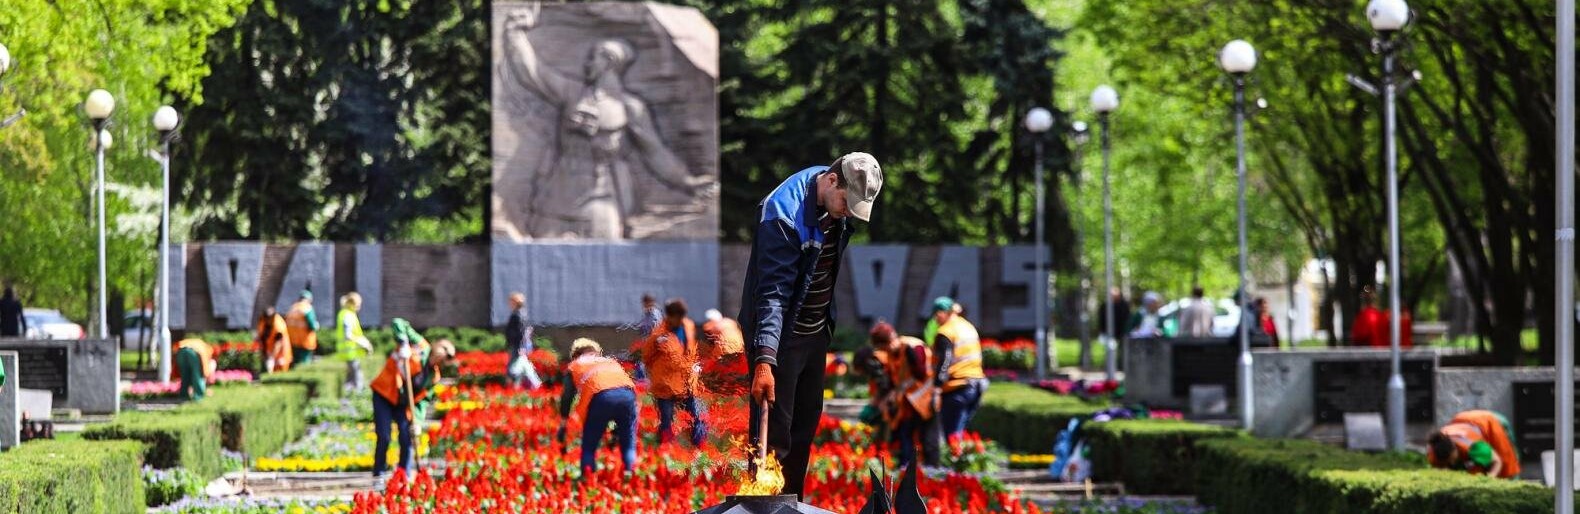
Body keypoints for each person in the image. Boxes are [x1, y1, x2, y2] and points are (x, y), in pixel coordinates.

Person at [500, 5, 715, 239]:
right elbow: (532, 72)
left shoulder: (630, 107)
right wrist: (514, 34)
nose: (588, 63)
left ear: (609, 62)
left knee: (607, 251)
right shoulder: (573, 92)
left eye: (594, 58)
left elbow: (656, 153)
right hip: (558, 193)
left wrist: (688, 182)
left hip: (602, 195)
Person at [742, 152, 883, 497]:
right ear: (832, 181)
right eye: (846, 204)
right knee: (775, 436)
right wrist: (764, 360)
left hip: (815, 332)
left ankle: (793, 504)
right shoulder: (782, 216)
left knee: (805, 428)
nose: (848, 213)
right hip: (781, 339)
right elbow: (772, 296)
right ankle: (764, 504)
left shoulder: (834, 193)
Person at [370, 319, 454, 478]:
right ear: (436, 347)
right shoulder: (420, 345)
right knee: (384, 435)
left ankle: (403, 475)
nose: (438, 359)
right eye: (440, 353)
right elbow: (398, 323)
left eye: (442, 360)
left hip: (403, 403)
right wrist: (403, 342)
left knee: (407, 435)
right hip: (385, 394)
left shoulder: (433, 377)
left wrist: (419, 423)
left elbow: (423, 401)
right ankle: (378, 474)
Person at [559, 338, 639, 474]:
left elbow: (567, 396)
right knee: (628, 444)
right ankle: (630, 476)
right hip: (628, 396)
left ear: (575, 354)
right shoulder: (609, 361)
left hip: (600, 397)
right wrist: (616, 431)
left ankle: (587, 478)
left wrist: (563, 423)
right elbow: (619, 389)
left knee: (589, 446)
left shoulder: (575, 365)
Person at [870, 322, 940, 469]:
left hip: (925, 398)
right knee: (906, 434)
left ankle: (931, 471)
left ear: (891, 340)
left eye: (885, 346)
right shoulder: (891, 353)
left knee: (927, 438)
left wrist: (899, 389)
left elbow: (920, 374)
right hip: (909, 400)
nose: (885, 351)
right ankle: (907, 468)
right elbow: (893, 377)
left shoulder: (912, 347)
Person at [637, 298, 708, 446]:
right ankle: (666, 451)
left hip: (687, 381)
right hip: (666, 386)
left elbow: (691, 349)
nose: (680, 320)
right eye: (677, 317)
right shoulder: (658, 335)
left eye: (682, 317)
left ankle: (698, 448)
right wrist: (659, 372)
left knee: (698, 416)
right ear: (669, 316)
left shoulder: (688, 326)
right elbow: (646, 356)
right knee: (667, 420)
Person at [930, 297, 989, 442]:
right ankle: (960, 460)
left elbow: (944, 361)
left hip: (957, 387)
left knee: (952, 434)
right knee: (959, 432)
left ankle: (954, 463)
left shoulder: (946, 331)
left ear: (942, 313)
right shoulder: (968, 326)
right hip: (976, 385)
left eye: (936, 314)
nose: (935, 319)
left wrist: (936, 388)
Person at [1428, 410, 1521, 479]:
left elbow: (1497, 461)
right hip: (1464, 418)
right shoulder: (1436, 448)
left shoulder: (1473, 446)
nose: (1452, 463)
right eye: (1448, 463)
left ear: (1455, 448)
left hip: (1491, 421)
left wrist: (1489, 479)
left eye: (1452, 460)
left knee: (1509, 464)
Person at [504, 292, 543, 389]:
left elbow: (520, 332)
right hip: (520, 345)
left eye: (511, 301)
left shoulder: (517, 315)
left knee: (514, 368)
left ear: (515, 302)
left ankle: (515, 387)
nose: (509, 303)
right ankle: (527, 385)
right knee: (520, 367)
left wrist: (521, 347)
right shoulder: (522, 314)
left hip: (517, 346)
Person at [336, 293, 375, 388]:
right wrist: (363, 344)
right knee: (357, 380)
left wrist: (365, 341)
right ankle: (356, 399)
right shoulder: (348, 315)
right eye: (358, 305)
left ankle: (348, 399)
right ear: (351, 304)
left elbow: (355, 333)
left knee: (350, 380)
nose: (359, 307)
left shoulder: (346, 313)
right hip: (350, 351)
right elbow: (348, 335)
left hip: (349, 352)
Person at [285, 291, 320, 365]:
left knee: (295, 362)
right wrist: (317, 326)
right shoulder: (307, 308)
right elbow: (312, 325)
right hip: (304, 341)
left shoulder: (293, 307)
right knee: (304, 363)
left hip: (293, 340)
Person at [255, 307, 292, 373]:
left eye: (268, 319)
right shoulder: (263, 320)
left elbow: (278, 344)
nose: (267, 321)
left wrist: (271, 358)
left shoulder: (278, 325)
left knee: (280, 372)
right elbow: (261, 337)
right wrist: (264, 354)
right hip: (269, 351)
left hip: (281, 353)